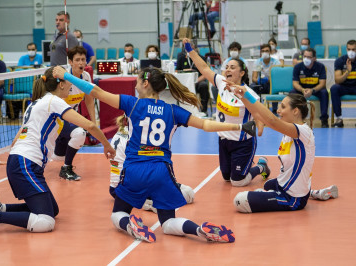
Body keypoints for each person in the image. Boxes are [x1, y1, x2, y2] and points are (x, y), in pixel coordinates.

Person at [52, 65, 257, 243]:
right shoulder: (172, 110)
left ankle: (129, 224)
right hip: (162, 170)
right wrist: (239, 127)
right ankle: (197, 229)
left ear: (146, 84)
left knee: (118, 213)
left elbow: (94, 91)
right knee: (168, 223)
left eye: (138, 81)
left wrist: (66, 75)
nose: (135, 85)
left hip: (134, 169)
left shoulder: (132, 104)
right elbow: (205, 124)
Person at [0, 67, 115, 233]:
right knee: (46, 222)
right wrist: (107, 145)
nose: (71, 87)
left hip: (24, 161)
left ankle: (0, 208)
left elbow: (17, 138)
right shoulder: (53, 101)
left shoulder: (37, 103)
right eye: (69, 82)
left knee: (53, 210)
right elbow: (89, 125)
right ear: (61, 85)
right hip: (25, 163)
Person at [229, 87, 338, 212]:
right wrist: (242, 96)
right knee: (267, 185)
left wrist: (248, 95)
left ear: (295, 111)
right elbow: (258, 115)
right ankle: (313, 192)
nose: (278, 110)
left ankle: (307, 194)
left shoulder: (302, 131)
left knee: (239, 201)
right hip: (284, 185)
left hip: (293, 197)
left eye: (283, 107)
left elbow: (271, 120)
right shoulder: (288, 130)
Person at [183, 38, 268, 187]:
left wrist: (259, 127)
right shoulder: (221, 83)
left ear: (241, 73)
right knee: (227, 178)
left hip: (243, 143)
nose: (228, 69)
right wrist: (190, 50)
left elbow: (258, 114)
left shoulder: (248, 94)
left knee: (238, 181)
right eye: (226, 66)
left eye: (232, 67)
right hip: (224, 140)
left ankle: (261, 166)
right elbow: (204, 68)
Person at [109, 114, 195, 213]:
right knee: (189, 194)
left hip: (114, 188)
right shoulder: (134, 139)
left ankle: (149, 199)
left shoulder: (118, 135)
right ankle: (150, 201)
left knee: (184, 190)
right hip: (126, 188)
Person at [53, 46, 96, 181]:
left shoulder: (86, 76)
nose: (81, 63)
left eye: (83, 59)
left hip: (71, 117)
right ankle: (65, 168)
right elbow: (56, 104)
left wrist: (93, 123)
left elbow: (89, 101)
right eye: (77, 60)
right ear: (70, 62)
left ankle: (65, 165)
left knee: (59, 156)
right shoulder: (63, 77)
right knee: (79, 133)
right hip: (57, 117)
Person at [292, 48, 329, 128]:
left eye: (309, 57)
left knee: (324, 92)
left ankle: (324, 119)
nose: (306, 59)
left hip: (316, 89)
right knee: (292, 94)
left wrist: (312, 90)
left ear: (314, 58)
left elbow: (322, 83)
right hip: (302, 89)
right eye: (305, 56)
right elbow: (295, 83)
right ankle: (294, 119)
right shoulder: (297, 67)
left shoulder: (321, 67)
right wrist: (302, 90)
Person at [176, 40, 210, 116]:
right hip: (184, 83)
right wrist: (184, 71)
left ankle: (204, 111)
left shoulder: (201, 58)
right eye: (186, 47)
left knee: (204, 86)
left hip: (198, 82)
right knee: (177, 87)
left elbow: (205, 74)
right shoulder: (181, 57)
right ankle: (180, 111)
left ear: (194, 48)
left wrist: (196, 81)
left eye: (191, 47)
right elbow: (177, 71)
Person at [331, 39, 356, 128]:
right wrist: (347, 72)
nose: (351, 52)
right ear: (346, 49)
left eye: (353, 49)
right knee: (334, 88)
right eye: (349, 49)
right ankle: (339, 118)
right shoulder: (340, 61)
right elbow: (337, 80)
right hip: (344, 87)